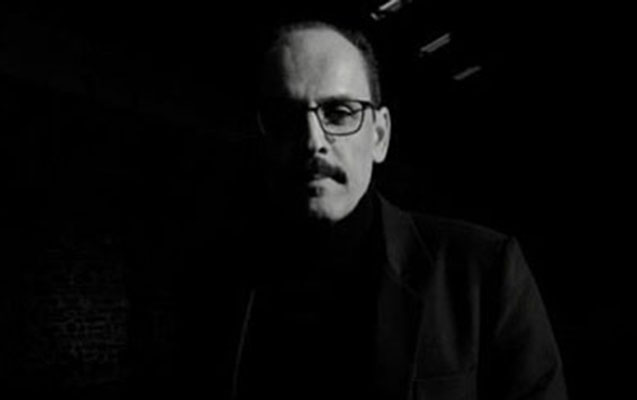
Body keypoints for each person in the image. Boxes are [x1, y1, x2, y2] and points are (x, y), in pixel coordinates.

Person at [200, 19, 568, 400]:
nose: (312, 140)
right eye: (284, 117)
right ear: (261, 138)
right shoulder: (214, 283)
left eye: (339, 112)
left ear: (379, 136)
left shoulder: (483, 272)